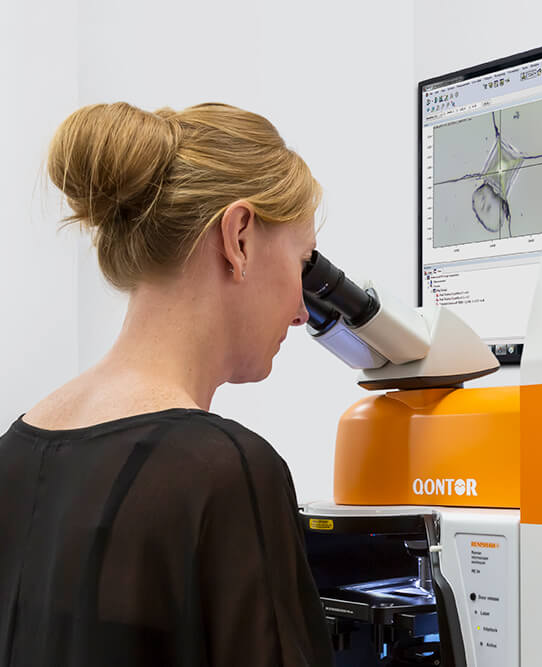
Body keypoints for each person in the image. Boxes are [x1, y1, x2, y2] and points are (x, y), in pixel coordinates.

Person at [0, 102, 335, 666]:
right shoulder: (226, 472)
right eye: (303, 264)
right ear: (239, 237)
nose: (304, 311)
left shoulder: (12, 454)